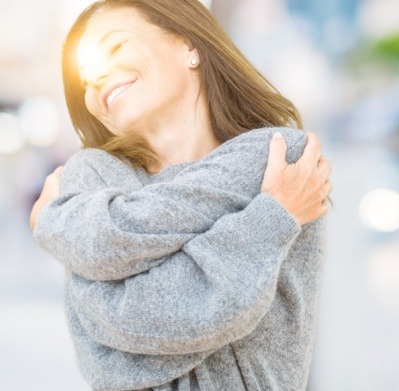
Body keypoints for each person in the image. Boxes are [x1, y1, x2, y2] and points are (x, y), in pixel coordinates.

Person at [29, 0, 331, 390]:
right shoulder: (89, 175)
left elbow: (191, 314)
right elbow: (111, 357)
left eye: (115, 46)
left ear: (188, 44)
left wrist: (58, 221)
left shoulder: (279, 157)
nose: (97, 77)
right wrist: (269, 219)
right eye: (85, 81)